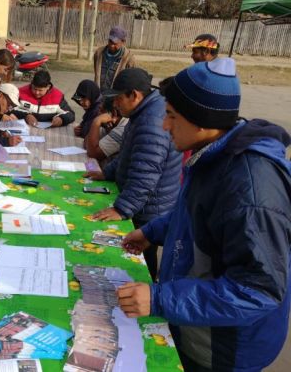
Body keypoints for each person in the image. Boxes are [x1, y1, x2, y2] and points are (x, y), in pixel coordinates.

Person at [117, 58, 291, 372]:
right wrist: (153, 231)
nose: (164, 125)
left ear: (200, 120)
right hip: (196, 321)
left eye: (170, 116)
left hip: (226, 347)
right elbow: (195, 215)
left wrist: (160, 300)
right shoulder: (213, 153)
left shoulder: (250, 191)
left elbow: (257, 290)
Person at [90, 68, 182, 281]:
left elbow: (146, 172)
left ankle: (146, 290)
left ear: (134, 95)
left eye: (118, 98)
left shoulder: (151, 121)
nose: (115, 104)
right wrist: (107, 173)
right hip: (144, 203)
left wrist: (122, 209)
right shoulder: (140, 111)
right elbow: (128, 153)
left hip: (150, 206)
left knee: (140, 253)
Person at [84, 96, 129, 169]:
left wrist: (96, 122)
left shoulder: (122, 128)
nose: (98, 114)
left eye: (101, 111)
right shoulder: (109, 125)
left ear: (113, 113)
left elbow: (93, 153)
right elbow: (86, 143)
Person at [93, 25, 136, 95]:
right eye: (110, 41)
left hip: (116, 97)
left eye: (115, 43)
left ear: (123, 42)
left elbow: (131, 81)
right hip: (99, 95)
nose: (112, 46)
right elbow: (96, 72)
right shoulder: (98, 53)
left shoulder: (129, 58)